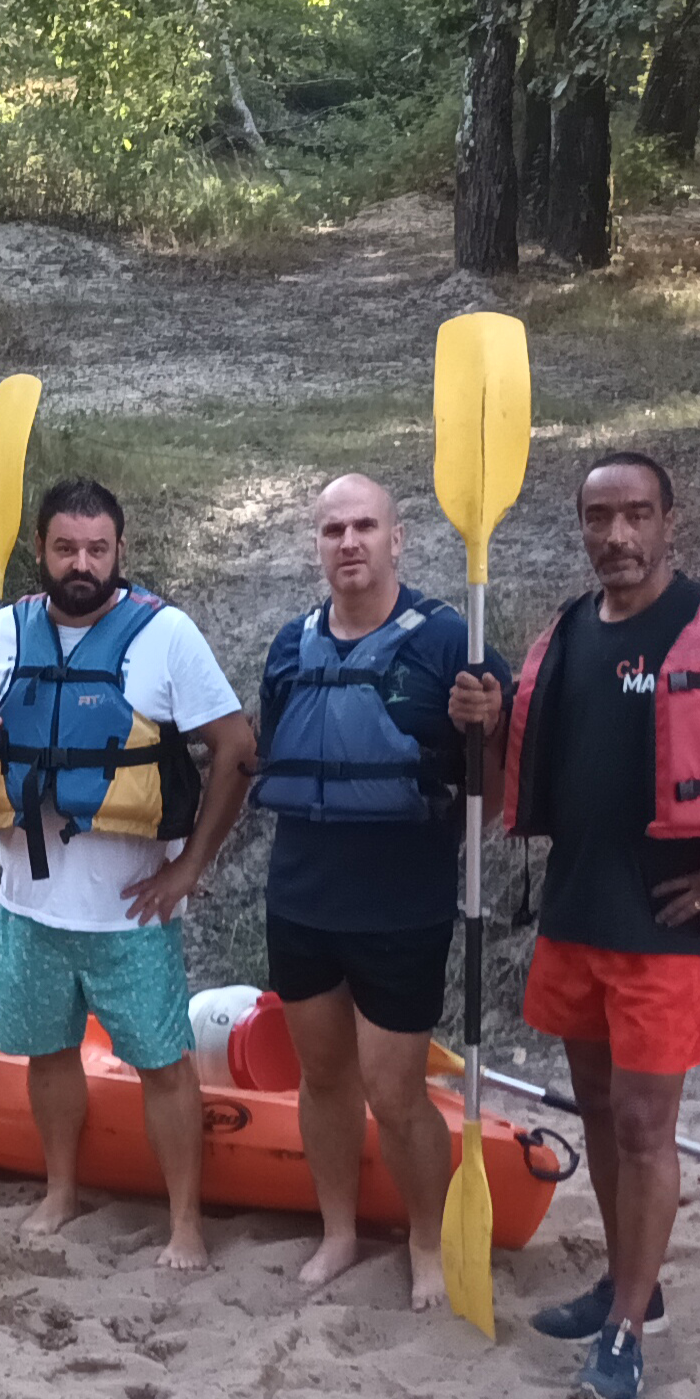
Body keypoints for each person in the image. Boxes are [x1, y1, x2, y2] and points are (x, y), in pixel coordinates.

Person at [452, 454, 700, 1399]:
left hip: (670, 923)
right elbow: (502, 788)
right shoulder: (567, 631)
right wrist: (486, 728)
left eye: (636, 515)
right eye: (599, 517)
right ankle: (635, 1285)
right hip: (577, 913)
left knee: (641, 1124)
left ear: (670, 521)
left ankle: (625, 1335)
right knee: (596, 1110)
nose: (617, 536)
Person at [0, 477, 256, 1272]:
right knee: (47, 1054)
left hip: (130, 913)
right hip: (29, 904)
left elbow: (236, 749)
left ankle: (185, 1221)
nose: (80, 563)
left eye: (96, 548)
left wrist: (190, 867)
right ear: (40, 549)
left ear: (120, 549)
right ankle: (61, 1190)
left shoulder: (165, 634)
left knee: (163, 1063)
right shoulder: (4, 629)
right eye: (65, 548)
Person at [252, 472, 491, 1309]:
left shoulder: (452, 641)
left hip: (402, 905)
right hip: (303, 898)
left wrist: (489, 725)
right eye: (332, 530)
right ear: (317, 545)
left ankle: (426, 1240)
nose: (348, 543)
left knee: (392, 1091)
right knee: (323, 1081)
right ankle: (340, 1231)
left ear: (397, 539)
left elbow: (496, 780)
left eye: (364, 527)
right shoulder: (291, 645)